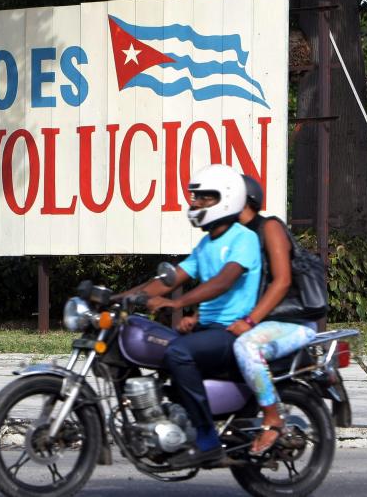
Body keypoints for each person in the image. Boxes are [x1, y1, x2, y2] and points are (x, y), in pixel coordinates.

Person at [128, 164, 262, 469]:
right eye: (196, 197)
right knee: (161, 347)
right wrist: (120, 298)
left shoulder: (244, 239)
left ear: (226, 199)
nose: (197, 203)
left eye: (205, 197)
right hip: (207, 329)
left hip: (231, 332)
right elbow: (171, 278)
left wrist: (178, 304)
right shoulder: (207, 244)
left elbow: (224, 281)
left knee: (178, 352)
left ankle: (207, 440)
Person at [228, 175, 318, 456]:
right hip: (265, 322)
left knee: (246, 346)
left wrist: (250, 321)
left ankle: (273, 418)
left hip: (293, 322)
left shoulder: (270, 228)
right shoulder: (235, 237)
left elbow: (281, 282)